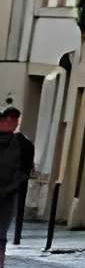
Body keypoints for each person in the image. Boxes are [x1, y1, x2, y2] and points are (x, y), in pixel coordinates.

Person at [0, 106, 32, 253]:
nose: (12, 122)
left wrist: (8, 189)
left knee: (1, 233)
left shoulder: (23, 145)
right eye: (8, 118)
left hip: (7, 196)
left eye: (15, 119)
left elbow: (24, 172)